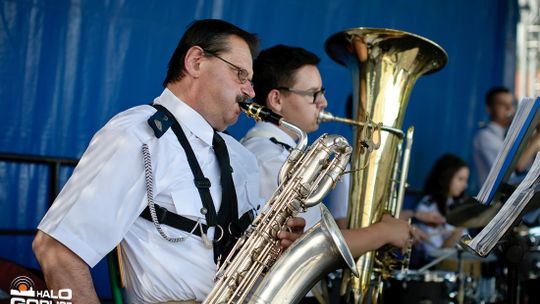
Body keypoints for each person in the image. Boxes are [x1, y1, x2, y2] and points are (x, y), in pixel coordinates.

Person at [31, 19, 304, 303]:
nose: (250, 92)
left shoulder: (241, 157)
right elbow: (57, 250)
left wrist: (277, 248)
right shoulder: (138, 136)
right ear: (196, 61)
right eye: (240, 74)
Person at [241, 45, 413, 260]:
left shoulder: (279, 151)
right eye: (313, 94)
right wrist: (384, 232)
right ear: (276, 100)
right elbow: (312, 247)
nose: (324, 103)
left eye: (321, 92)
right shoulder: (270, 160)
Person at [473, 86, 540, 187]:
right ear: (489, 109)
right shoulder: (485, 137)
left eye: (511, 104)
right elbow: (514, 168)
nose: (509, 108)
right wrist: (537, 136)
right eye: (502, 104)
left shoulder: (509, 134)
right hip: (494, 201)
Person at [413, 154, 469, 262]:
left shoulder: (456, 203)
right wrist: (459, 230)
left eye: (466, 180)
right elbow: (435, 256)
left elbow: (466, 244)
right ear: (446, 176)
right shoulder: (426, 207)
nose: (465, 185)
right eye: (460, 179)